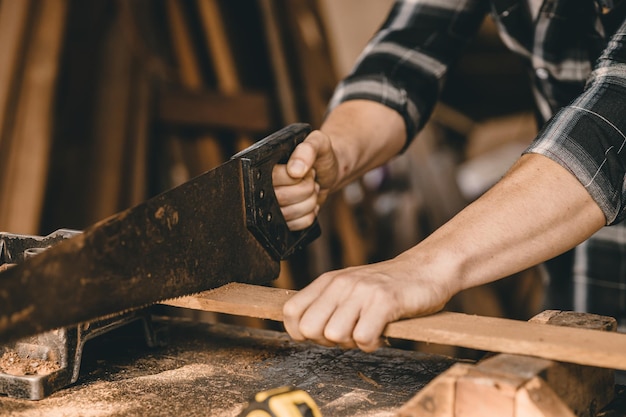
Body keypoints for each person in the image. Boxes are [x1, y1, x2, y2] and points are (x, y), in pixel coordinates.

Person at [271, 0, 626, 352]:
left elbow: (608, 129)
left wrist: (424, 268)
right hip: (576, 273)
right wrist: (339, 153)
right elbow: (404, 56)